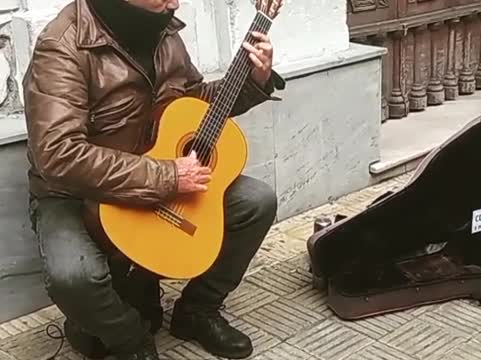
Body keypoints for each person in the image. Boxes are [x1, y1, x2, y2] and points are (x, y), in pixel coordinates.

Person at [23, 0, 285, 358]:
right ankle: (129, 338)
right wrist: (166, 176)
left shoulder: (163, 30)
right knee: (73, 274)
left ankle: (197, 311)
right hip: (75, 191)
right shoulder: (63, 45)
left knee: (256, 202)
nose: (176, 3)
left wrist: (253, 81)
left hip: (157, 175)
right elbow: (58, 154)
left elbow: (194, 104)